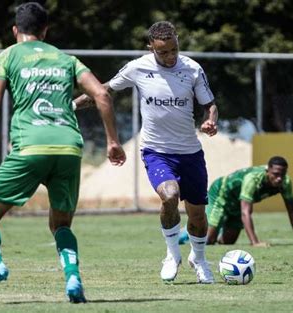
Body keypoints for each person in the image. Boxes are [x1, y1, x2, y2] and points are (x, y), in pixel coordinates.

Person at [0, 2, 126, 303]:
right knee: (61, 224)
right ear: (45, 30)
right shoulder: (66, 59)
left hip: (30, 147)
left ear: (15, 30)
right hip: (69, 148)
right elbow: (101, 93)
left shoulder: (5, 58)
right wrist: (113, 140)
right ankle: (73, 277)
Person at [74, 21, 218, 284]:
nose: (170, 56)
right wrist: (72, 105)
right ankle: (172, 254)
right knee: (169, 195)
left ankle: (199, 258)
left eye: (174, 50)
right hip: (156, 151)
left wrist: (211, 121)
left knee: (197, 214)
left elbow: (210, 105)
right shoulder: (137, 67)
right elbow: (104, 90)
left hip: (190, 152)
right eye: (163, 52)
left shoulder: (192, 69)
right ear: (150, 47)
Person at [179, 156, 293, 247]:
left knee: (228, 242)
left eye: (282, 175)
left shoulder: (286, 183)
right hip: (221, 194)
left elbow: (292, 210)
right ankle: (185, 232)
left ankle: (217, 227)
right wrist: (255, 243)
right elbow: (245, 212)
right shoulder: (253, 179)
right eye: (276, 174)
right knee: (208, 241)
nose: (279, 179)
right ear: (268, 171)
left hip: (237, 202)